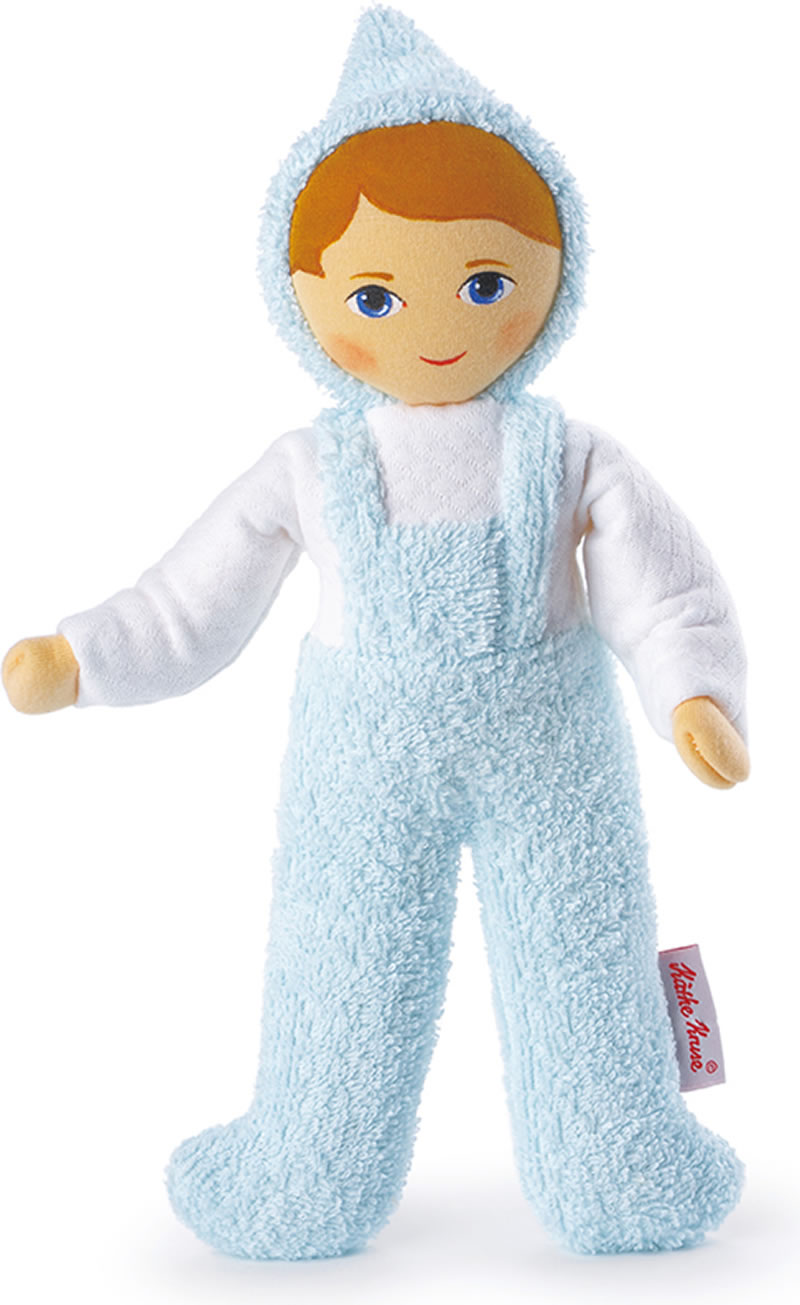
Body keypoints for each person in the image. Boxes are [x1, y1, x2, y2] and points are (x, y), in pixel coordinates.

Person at [2, 6, 749, 1260]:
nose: (437, 327)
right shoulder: (311, 464)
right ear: (302, 304)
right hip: (362, 757)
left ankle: (623, 1156)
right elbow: (193, 598)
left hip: (551, 746)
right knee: (339, 961)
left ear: (553, 275)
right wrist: (86, 658)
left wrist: (691, 691)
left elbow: (660, 585)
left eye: (483, 283)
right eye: (373, 295)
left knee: (586, 949)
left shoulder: (565, 452)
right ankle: (300, 1165)